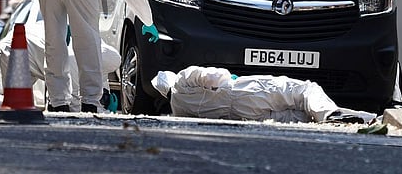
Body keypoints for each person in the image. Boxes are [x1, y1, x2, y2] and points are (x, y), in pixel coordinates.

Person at [35, 0, 159, 113]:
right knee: (88, 41)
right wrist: (148, 20)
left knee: (53, 42)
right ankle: (90, 101)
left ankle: (57, 101)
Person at [151, 66, 377, 124]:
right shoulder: (182, 80)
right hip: (245, 91)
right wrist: (231, 78)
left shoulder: (178, 109)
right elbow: (216, 77)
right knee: (305, 91)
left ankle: (362, 118)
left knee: (302, 117)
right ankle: (338, 115)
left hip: (242, 116)